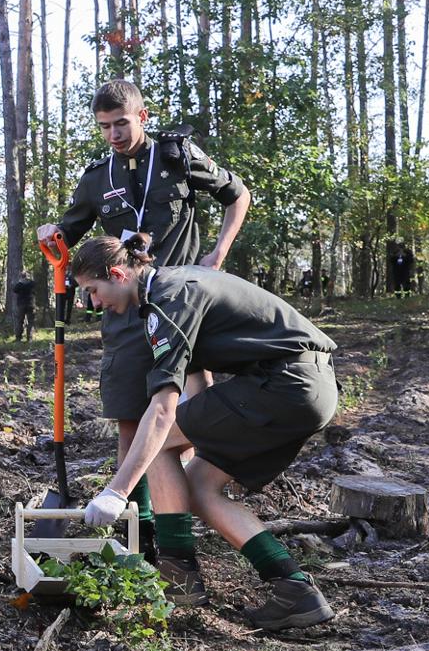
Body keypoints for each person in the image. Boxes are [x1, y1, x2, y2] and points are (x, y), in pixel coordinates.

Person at [73, 233, 338, 630]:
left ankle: (178, 575)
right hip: (305, 387)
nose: (94, 304)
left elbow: (163, 412)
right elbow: (198, 388)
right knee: (199, 486)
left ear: (117, 274)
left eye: (93, 290)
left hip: (286, 383)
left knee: (156, 442)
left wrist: (116, 492)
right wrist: (189, 450)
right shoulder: (169, 290)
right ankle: (294, 590)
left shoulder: (169, 299)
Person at [37, 79, 251, 567]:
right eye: (104, 127)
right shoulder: (97, 177)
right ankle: (142, 532)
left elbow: (237, 195)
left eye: (121, 124)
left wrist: (218, 253)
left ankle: (187, 520)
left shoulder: (178, 157)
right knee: (131, 418)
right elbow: (67, 235)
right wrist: (52, 234)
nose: (113, 134)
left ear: (143, 117)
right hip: (126, 308)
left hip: (183, 306)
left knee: (189, 414)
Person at [12, 274, 37, 341]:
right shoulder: (31, 283)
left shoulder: (19, 285)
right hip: (30, 304)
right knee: (30, 321)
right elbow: (34, 285)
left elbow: (14, 290)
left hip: (21, 305)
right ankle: (29, 338)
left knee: (20, 321)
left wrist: (20, 282)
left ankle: (18, 337)